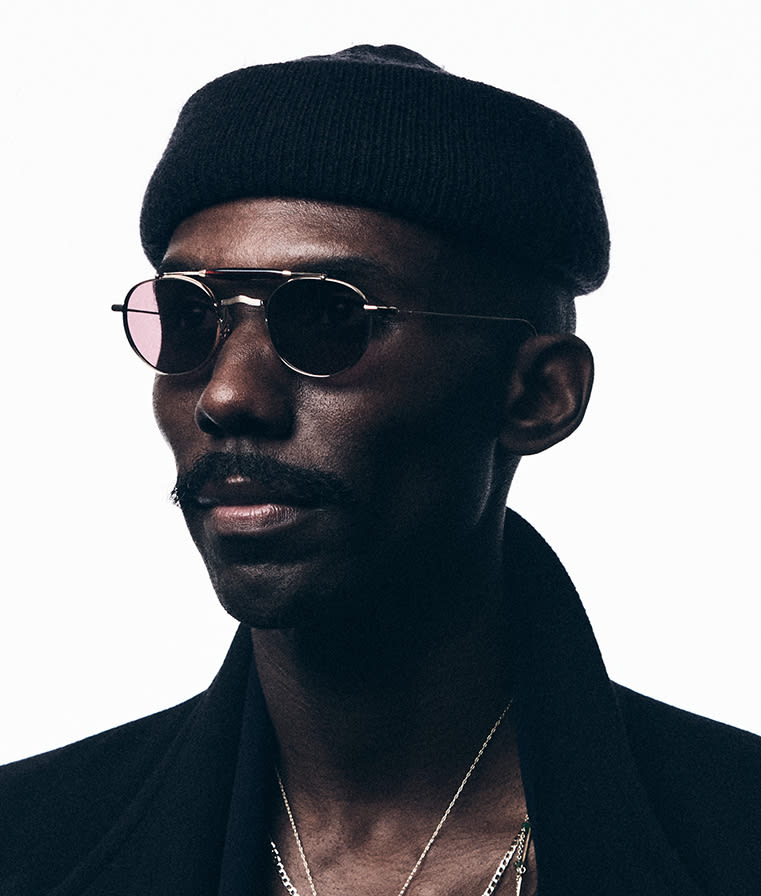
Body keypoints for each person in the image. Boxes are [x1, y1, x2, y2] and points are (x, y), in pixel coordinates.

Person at [1, 44, 759, 896]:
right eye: (187, 317)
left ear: (537, 395)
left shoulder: (734, 836)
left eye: (329, 318)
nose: (225, 393)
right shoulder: (28, 843)